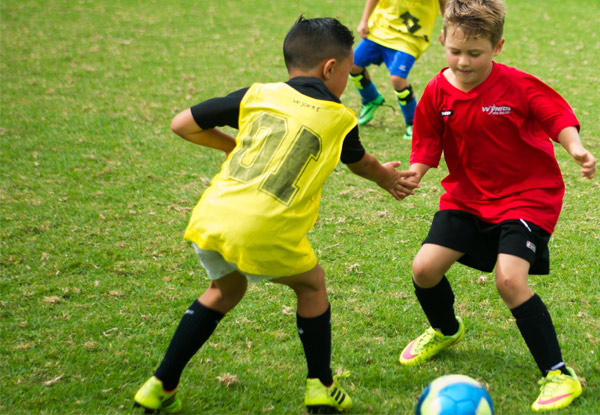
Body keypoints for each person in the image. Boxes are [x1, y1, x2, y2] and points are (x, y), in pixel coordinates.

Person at [133, 16, 417, 414]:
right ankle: (321, 385)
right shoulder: (338, 117)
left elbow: (182, 124)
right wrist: (388, 179)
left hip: (211, 215)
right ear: (330, 69)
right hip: (263, 228)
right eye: (345, 71)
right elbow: (363, 164)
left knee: (225, 290)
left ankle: (159, 385)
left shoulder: (258, 93)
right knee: (312, 285)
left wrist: (232, 147)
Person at [397, 0, 596, 412]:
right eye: (455, 51)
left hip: (527, 195)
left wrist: (575, 148)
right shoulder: (436, 90)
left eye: (475, 53)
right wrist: (415, 172)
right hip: (466, 196)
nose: (463, 61)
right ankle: (447, 329)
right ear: (442, 41)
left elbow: (555, 115)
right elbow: (428, 141)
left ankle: (559, 374)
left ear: (498, 46)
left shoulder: (518, 85)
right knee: (424, 269)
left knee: (509, 281)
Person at [349, 0, 447, 140]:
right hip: (381, 29)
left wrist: (447, 28)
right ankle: (371, 99)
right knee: (352, 64)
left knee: (397, 78)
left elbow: (445, 4)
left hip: (410, 37)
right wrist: (364, 20)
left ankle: (415, 123)